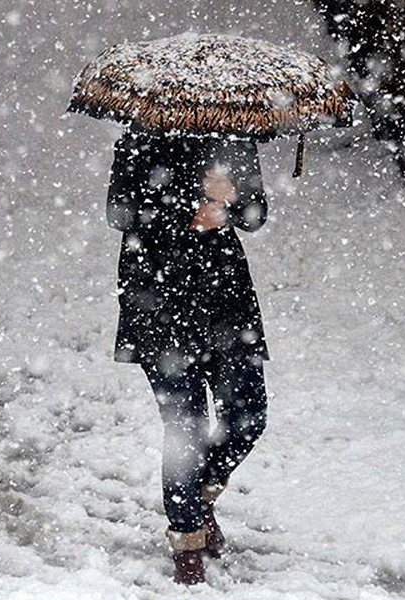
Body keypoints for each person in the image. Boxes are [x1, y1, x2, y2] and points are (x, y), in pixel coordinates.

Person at [106, 123, 270, 585]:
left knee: (248, 414)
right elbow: (120, 213)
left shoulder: (234, 135)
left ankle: (196, 498)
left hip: (225, 300)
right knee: (186, 427)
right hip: (159, 299)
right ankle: (187, 543)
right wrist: (188, 207)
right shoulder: (141, 138)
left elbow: (256, 216)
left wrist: (232, 198)